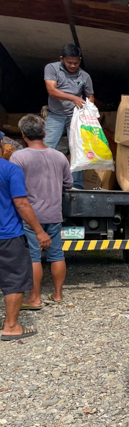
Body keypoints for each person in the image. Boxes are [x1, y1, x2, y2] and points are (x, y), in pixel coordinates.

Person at [10, 115, 73, 309]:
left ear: (23, 135)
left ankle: (34, 298)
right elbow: (69, 184)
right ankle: (58, 294)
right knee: (57, 255)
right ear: (44, 133)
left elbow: (13, 187)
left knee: (33, 257)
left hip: (30, 217)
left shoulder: (18, 157)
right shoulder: (59, 156)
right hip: (54, 214)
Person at [0, 156, 51, 341]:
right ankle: (11, 327)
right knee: (14, 279)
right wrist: (39, 231)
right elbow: (21, 203)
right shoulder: (10, 169)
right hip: (7, 235)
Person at [44, 44, 94, 189]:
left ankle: (76, 185)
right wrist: (73, 98)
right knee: (47, 147)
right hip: (56, 115)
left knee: (78, 149)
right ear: (62, 59)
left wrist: (88, 108)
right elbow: (51, 90)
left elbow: (90, 95)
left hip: (76, 116)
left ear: (80, 59)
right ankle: (46, 182)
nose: (73, 65)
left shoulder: (85, 76)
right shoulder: (52, 68)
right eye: (69, 62)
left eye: (76, 62)